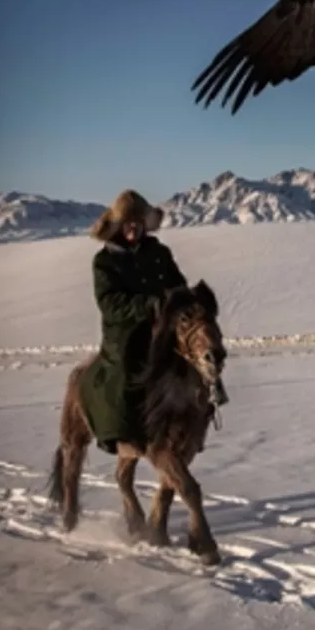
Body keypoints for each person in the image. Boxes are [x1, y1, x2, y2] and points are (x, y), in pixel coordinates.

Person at [80, 189, 223, 454]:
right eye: (127, 222)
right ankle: (123, 433)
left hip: (163, 328)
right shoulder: (104, 261)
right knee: (125, 373)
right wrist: (149, 305)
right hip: (126, 332)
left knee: (200, 354)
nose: (133, 227)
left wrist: (188, 302)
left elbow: (176, 283)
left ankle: (204, 412)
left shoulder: (158, 251)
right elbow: (110, 303)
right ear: (118, 225)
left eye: (137, 221)